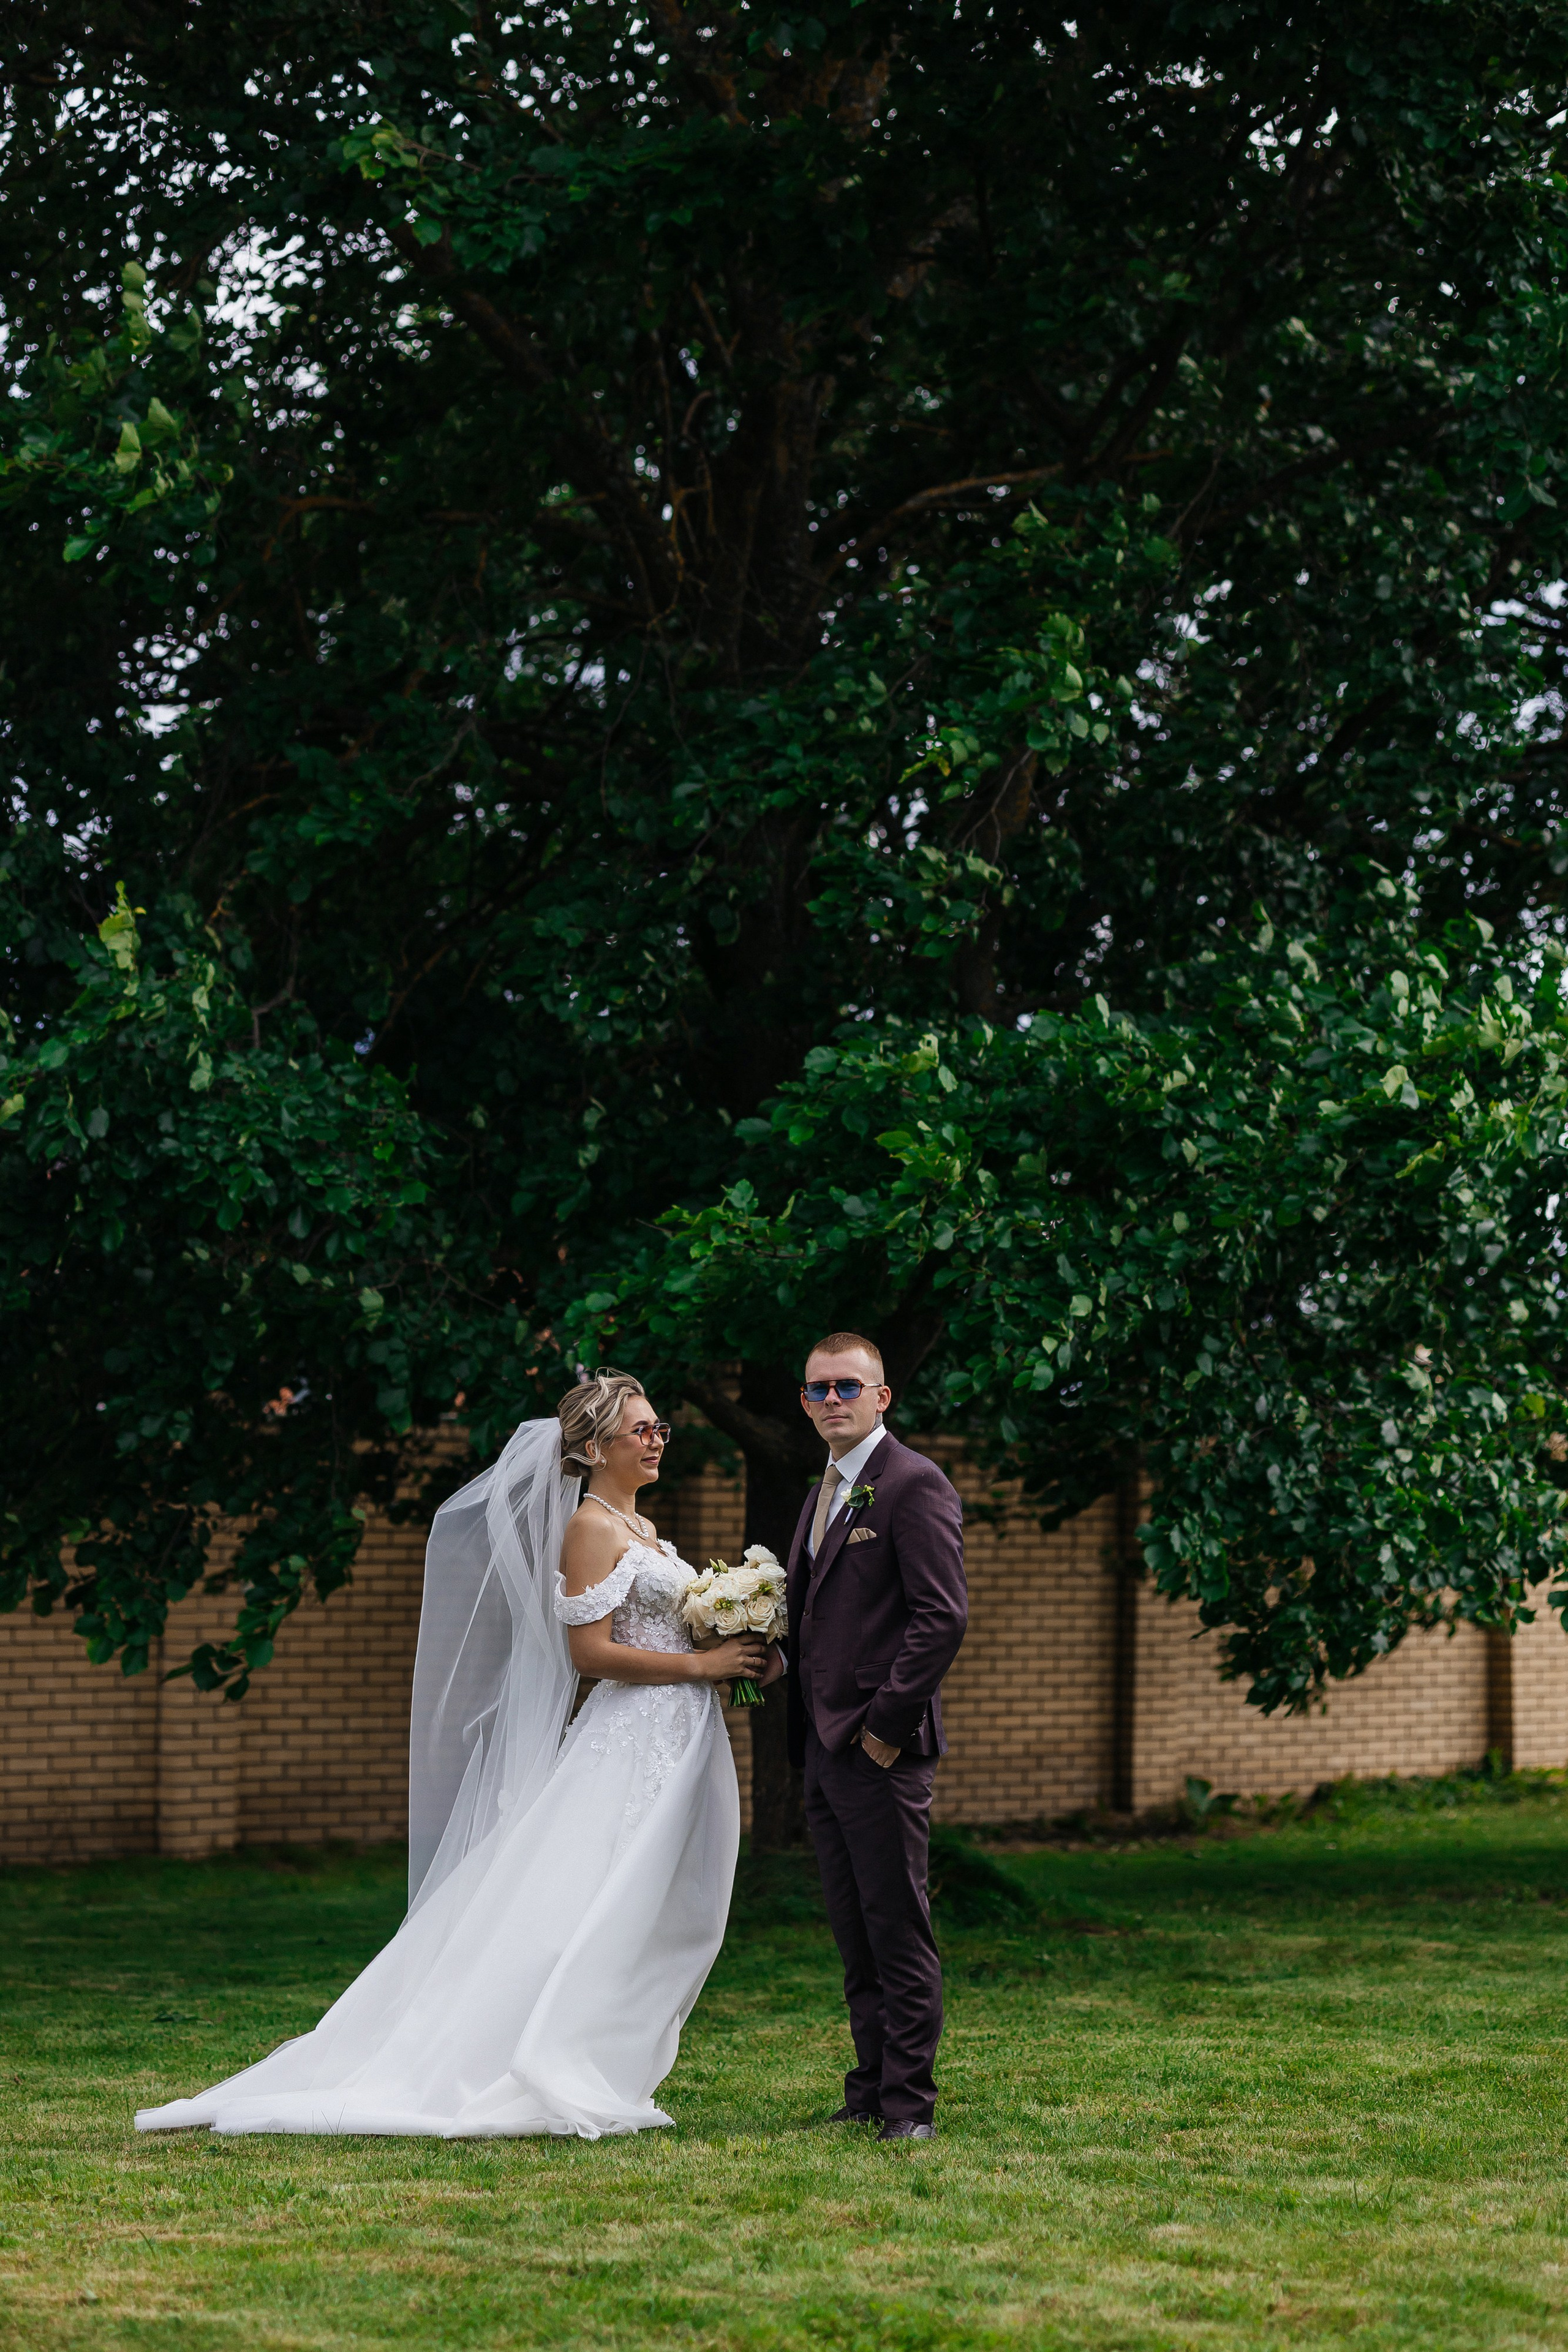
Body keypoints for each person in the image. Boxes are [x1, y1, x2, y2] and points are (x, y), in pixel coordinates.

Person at [135, 1370, 777, 2139]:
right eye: (640, 1430)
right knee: (586, 1903)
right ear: (593, 1446)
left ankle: (606, 2059)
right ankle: (533, 2060)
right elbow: (589, 1654)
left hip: (678, 1735)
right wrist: (699, 1667)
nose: (656, 1440)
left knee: (652, 1907)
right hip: (627, 1741)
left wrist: (732, 1640)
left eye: (658, 1428)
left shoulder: (646, 1533)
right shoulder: (591, 1529)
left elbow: (659, 1631)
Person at [785, 1330, 968, 2141]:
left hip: (879, 1750)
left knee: (898, 1930)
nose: (832, 1401)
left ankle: (910, 2108)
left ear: (881, 1397)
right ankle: (868, 2090)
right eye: (818, 1389)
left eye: (847, 1387)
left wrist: (884, 1732)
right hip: (824, 1751)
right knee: (855, 1933)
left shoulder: (912, 1485)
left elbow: (941, 1619)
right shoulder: (824, 1487)